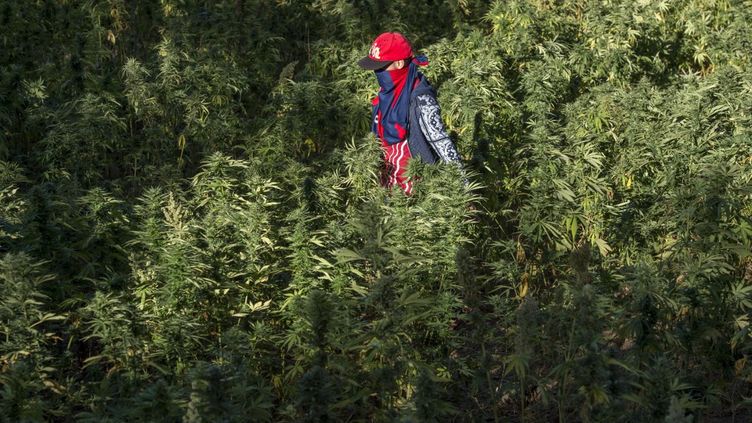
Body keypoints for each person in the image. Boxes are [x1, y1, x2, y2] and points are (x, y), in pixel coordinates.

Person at [358, 32, 462, 195]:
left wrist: (463, 188)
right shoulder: (385, 94)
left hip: (418, 191)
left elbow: (441, 142)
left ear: (399, 63)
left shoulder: (421, 98)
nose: (377, 72)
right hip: (389, 191)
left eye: (381, 67)